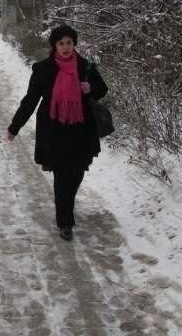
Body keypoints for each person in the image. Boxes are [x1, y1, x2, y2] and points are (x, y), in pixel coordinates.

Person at [6, 24, 108, 242]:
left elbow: (102, 89)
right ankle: (65, 222)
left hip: (82, 130)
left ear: (74, 44)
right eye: (61, 43)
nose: (65, 47)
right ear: (54, 45)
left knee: (78, 172)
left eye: (69, 43)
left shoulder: (85, 67)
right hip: (55, 131)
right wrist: (15, 126)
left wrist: (90, 88)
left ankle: (66, 202)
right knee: (62, 176)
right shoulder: (43, 69)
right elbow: (30, 101)